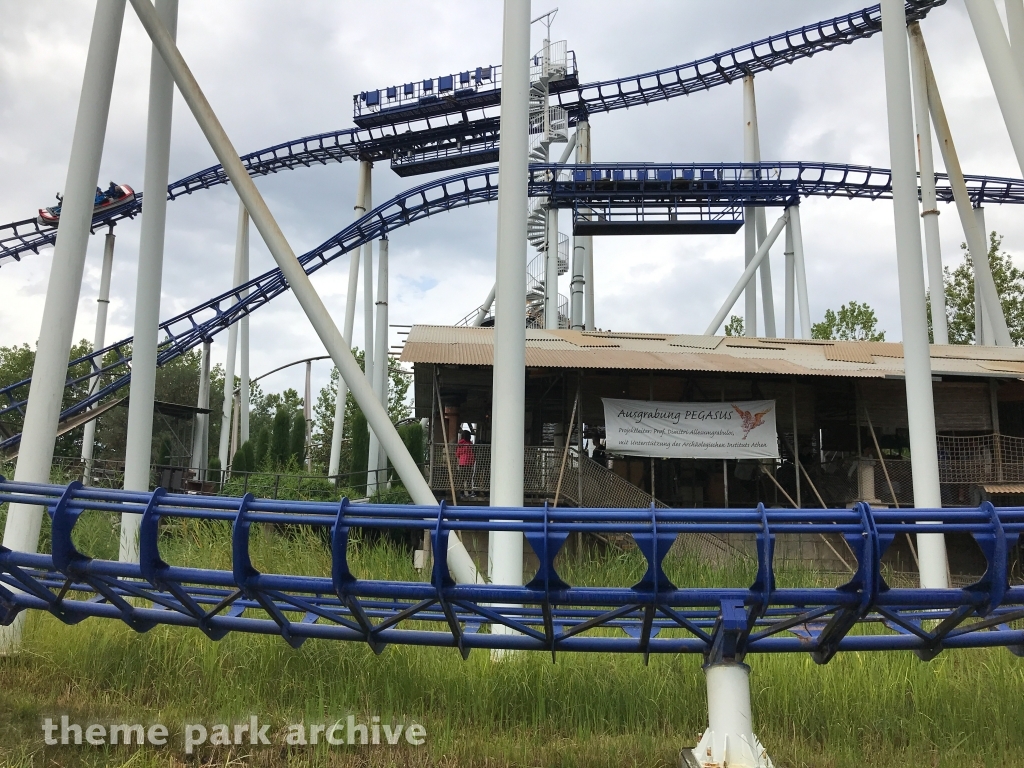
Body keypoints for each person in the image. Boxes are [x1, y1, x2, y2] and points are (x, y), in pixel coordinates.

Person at [456, 429, 476, 498]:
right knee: (469, 478)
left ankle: (461, 493)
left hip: (462, 463)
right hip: (469, 463)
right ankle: (470, 492)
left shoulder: (460, 444)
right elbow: (472, 453)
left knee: (462, 478)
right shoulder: (470, 444)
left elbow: (458, 453)